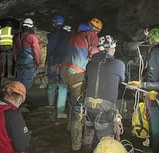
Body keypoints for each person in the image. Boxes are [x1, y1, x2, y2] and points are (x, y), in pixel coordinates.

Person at [128, 25, 159, 153]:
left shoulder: (155, 52)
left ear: (153, 38)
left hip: (154, 93)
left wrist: (144, 87)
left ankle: (156, 148)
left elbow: (152, 75)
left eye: (150, 38)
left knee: (155, 123)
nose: (148, 41)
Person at [59, 17, 102, 152]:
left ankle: (69, 126)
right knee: (79, 108)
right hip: (77, 73)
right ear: (97, 30)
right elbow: (94, 54)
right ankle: (76, 144)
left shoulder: (76, 34)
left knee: (72, 101)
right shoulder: (92, 35)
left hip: (64, 71)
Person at [82, 35, 125, 152]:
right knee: (106, 145)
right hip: (105, 110)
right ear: (111, 48)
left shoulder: (90, 64)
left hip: (88, 108)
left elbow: (87, 78)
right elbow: (121, 80)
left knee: (87, 141)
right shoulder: (119, 64)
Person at [46, 14, 72, 119]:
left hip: (52, 63)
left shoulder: (51, 35)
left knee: (52, 86)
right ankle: (60, 111)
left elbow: (49, 50)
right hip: (64, 64)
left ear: (54, 23)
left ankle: (50, 108)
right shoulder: (68, 35)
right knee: (62, 87)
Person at [13, 18, 41, 91]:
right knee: (27, 81)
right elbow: (37, 51)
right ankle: (22, 98)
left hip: (19, 62)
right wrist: (38, 63)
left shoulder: (16, 37)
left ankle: (16, 96)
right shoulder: (32, 37)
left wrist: (16, 60)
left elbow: (14, 51)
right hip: (28, 63)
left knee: (19, 79)